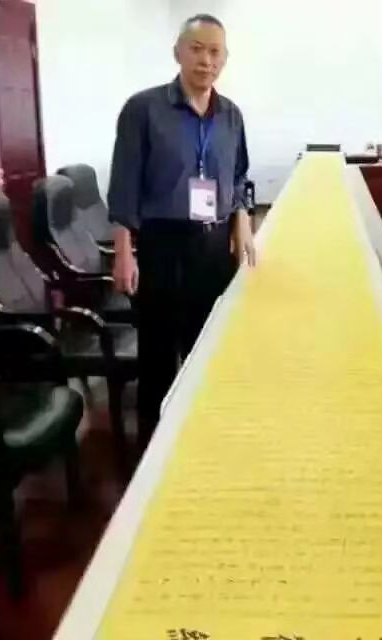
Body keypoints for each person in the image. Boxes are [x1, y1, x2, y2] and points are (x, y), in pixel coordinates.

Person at [108, 13, 256, 446]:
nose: (206, 60)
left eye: (215, 52)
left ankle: (201, 442)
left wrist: (242, 222)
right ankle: (153, 448)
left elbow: (239, 177)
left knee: (207, 348)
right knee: (158, 354)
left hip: (213, 246)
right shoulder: (143, 109)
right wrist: (124, 252)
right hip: (162, 244)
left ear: (225, 59)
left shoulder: (231, 115)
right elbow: (124, 184)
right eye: (197, 49)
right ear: (178, 53)